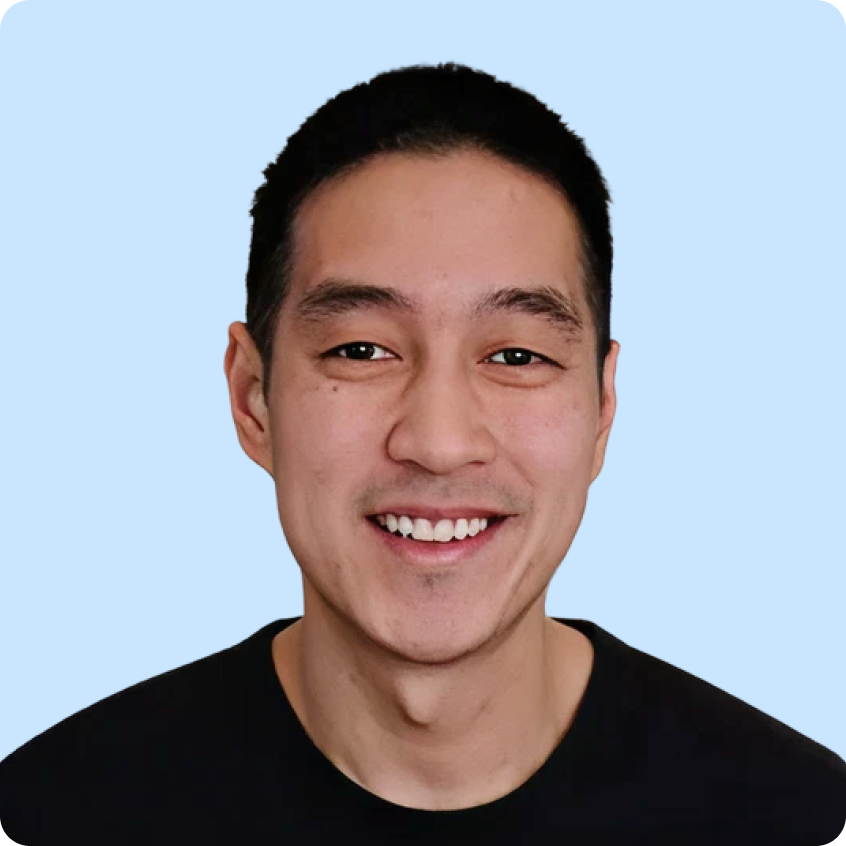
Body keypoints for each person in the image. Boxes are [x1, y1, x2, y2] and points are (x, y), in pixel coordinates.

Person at [1, 61, 843, 846]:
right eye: (362, 350)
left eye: (516, 356)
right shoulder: (55, 811)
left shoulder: (795, 814)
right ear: (252, 398)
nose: (439, 443)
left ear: (602, 408)